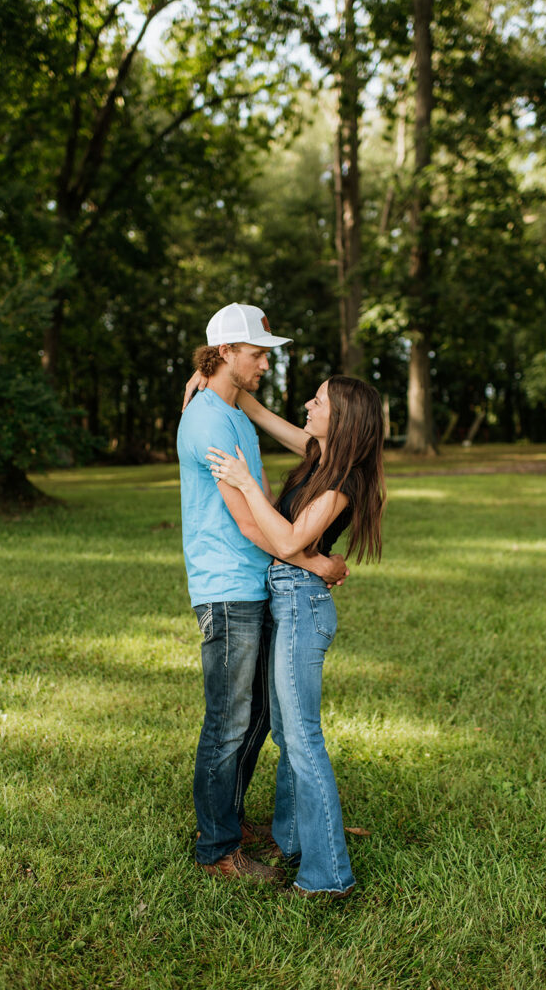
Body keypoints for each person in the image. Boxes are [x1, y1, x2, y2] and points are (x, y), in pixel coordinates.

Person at [177, 303, 349, 883]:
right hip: (226, 586)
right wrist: (315, 561)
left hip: (254, 581)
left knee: (254, 720)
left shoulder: (233, 416)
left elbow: (269, 494)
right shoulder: (207, 422)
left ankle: (226, 816)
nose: (264, 365)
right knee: (228, 720)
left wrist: (245, 401)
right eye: (256, 354)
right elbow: (251, 524)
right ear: (226, 352)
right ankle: (217, 847)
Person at [206, 375, 385, 898]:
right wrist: (213, 373)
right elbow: (259, 413)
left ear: (344, 419)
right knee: (290, 737)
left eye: (319, 400)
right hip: (294, 595)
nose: (308, 403)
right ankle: (292, 841)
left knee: (303, 741)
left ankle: (328, 877)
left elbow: (285, 538)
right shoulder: (318, 456)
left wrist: (243, 481)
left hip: (302, 606)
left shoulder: (339, 482)